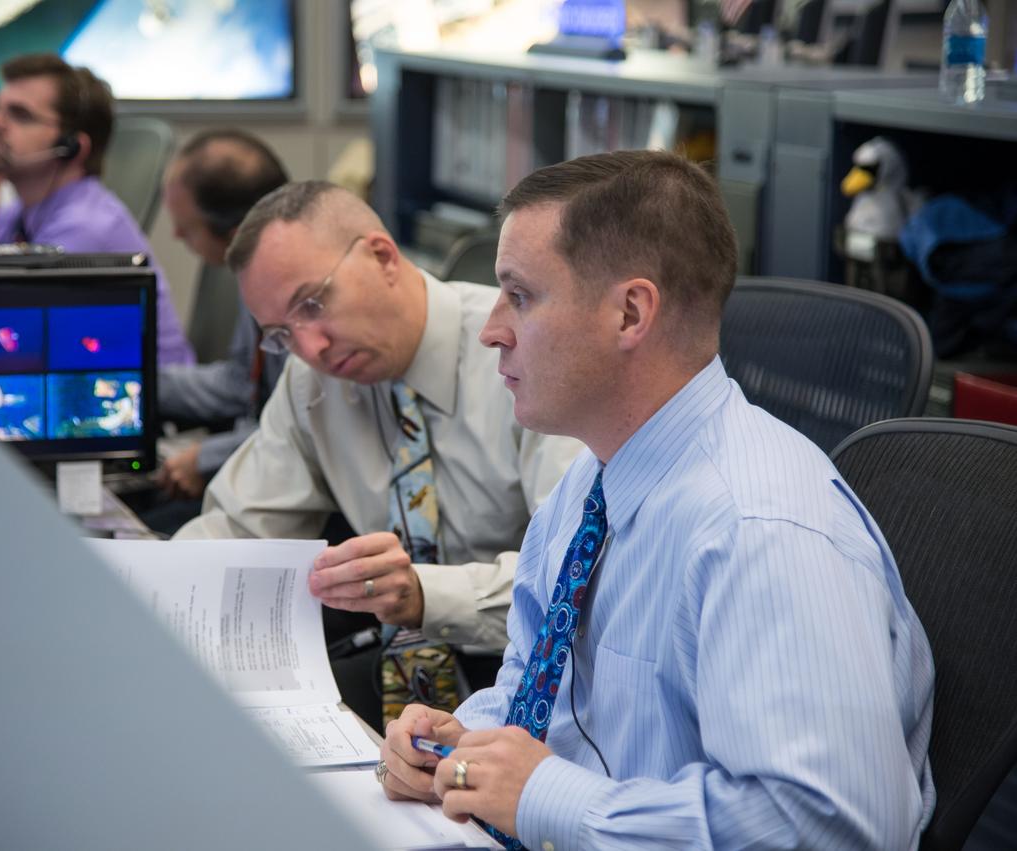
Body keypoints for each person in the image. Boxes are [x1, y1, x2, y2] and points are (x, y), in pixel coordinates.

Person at [378, 150, 935, 850]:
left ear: (630, 313)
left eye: (519, 296)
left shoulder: (760, 529)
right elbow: (537, 692)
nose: (491, 329)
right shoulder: (589, 483)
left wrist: (544, 795)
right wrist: (462, 742)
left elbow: (834, 825)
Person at [173, 181, 583, 725]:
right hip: (401, 667)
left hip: (539, 675)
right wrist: (156, 585)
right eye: (282, 335)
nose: (310, 348)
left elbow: (576, 575)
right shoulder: (312, 384)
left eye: (313, 303)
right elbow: (239, 526)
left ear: (383, 256)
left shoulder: (520, 350)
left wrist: (424, 594)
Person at [0, 53, 192, 366]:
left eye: (19, 115)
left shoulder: (86, 227)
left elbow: (5, 340)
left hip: (144, 392)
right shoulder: (17, 215)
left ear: (72, 148)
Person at [148, 130, 291, 522]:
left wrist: (209, 458)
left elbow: (304, 430)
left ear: (233, 233)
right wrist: (144, 383)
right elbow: (241, 384)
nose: (176, 234)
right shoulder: (254, 273)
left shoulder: (292, 293)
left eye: (187, 226)